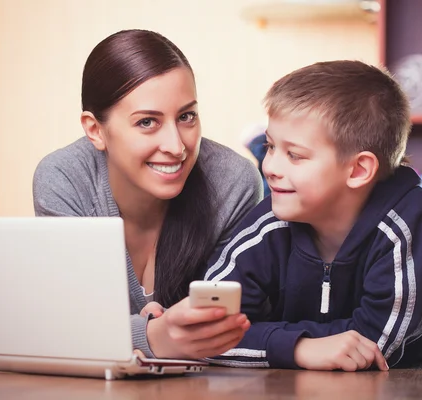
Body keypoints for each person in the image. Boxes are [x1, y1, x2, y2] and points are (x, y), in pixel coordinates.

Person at [201, 60, 422, 371]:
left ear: (358, 169)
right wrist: (301, 348)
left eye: (294, 155)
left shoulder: (404, 224)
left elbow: (371, 347)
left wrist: (269, 338)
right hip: (363, 295)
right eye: (270, 146)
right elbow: (205, 334)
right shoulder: (269, 223)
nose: (270, 167)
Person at [32, 29, 263, 360]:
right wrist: (153, 336)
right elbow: (66, 324)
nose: (176, 146)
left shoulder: (233, 182)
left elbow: (236, 320)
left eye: (186, 117)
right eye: (147, 123)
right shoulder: (64, 179)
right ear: (95, 130)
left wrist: (141, 336)